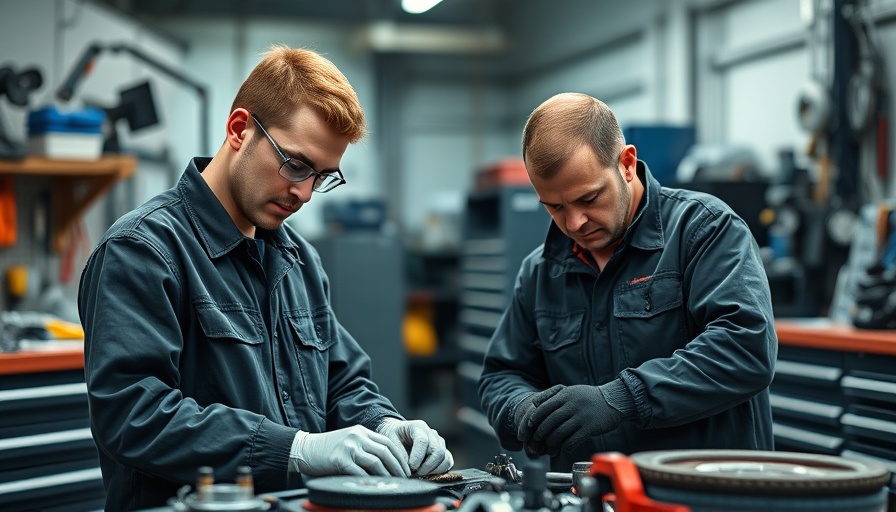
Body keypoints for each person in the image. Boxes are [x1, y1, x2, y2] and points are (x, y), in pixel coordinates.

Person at [78, 45, 453, 511]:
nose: (303, 193)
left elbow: (343, 382)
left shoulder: (299, 260)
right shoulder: (143, 251)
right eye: (295, 165)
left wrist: (385, 424)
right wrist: (294, 449)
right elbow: (133, 415)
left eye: (322, 176)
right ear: (239, 129)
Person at [478, 92, 776, 473]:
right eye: (554, 206)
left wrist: (621, 398)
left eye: (588, 198)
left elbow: (745, 346)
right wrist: (521, 408)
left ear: (627, 164)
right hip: (592, 494)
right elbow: (501, 375)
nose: (574, 223)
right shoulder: (540, 272)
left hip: (702, 493)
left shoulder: (705, 230)